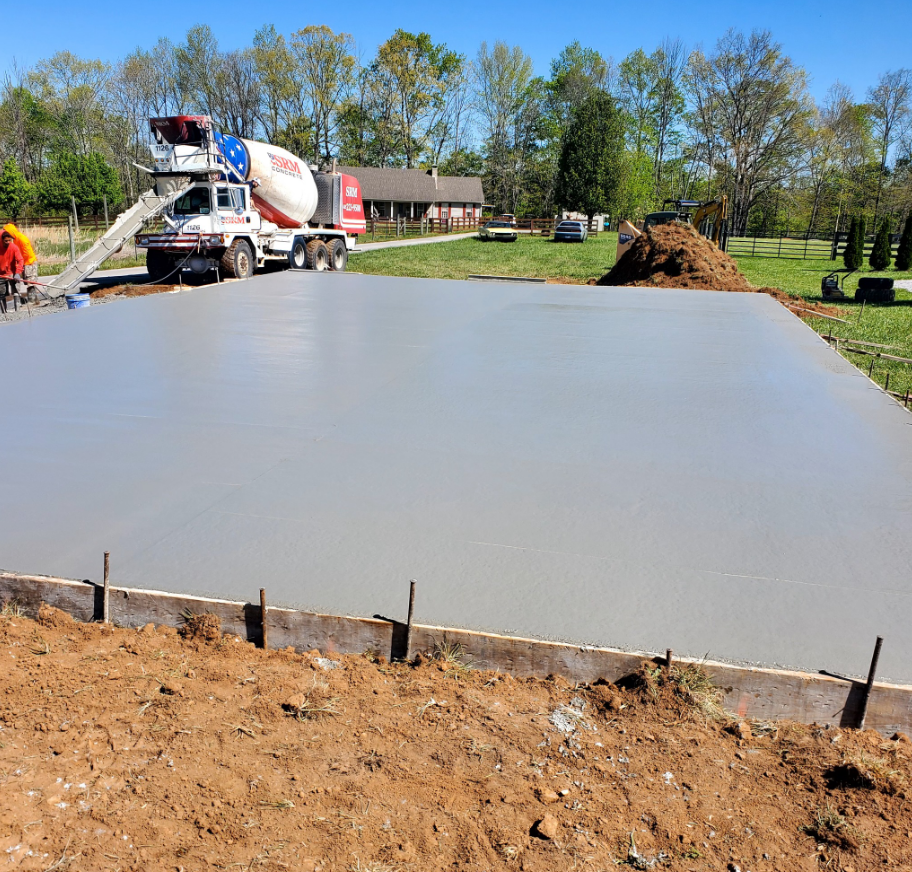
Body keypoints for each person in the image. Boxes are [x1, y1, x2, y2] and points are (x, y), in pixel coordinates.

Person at [2, 223, 37, 301]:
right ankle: (30, 300)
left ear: (11, 231)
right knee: (27, 282)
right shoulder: (15, 239)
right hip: (24, 262)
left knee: (30, 282)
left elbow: (27, 254)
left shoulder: (21, 239)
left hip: (29, 262)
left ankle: (33, 300)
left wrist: (19, 262)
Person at [0, 229, 24, 310]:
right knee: (2, 293)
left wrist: (18, 273)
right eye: (6, 241)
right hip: (1, 274)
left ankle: (18, 310)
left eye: (9, 240)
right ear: (2, 240)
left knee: (16, 291)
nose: (7, 242)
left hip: (13, 272)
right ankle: (4, 312)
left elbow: (20, 260)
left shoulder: (14, 247)